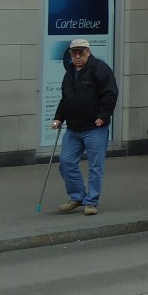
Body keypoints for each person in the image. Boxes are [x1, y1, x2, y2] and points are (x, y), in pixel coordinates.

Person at [51, 38, 118, 215]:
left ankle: (91, 202)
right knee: (65, 162)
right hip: (73, 128)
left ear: (88, 52)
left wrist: (103, 116)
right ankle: (77, 196)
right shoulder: (70, 73)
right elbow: (66, 98)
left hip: (95, 128)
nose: (78, 56)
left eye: (81, 53)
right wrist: (58, 118)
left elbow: (110, 94)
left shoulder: (100, 69)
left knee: (95, 166)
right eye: (74, 53)